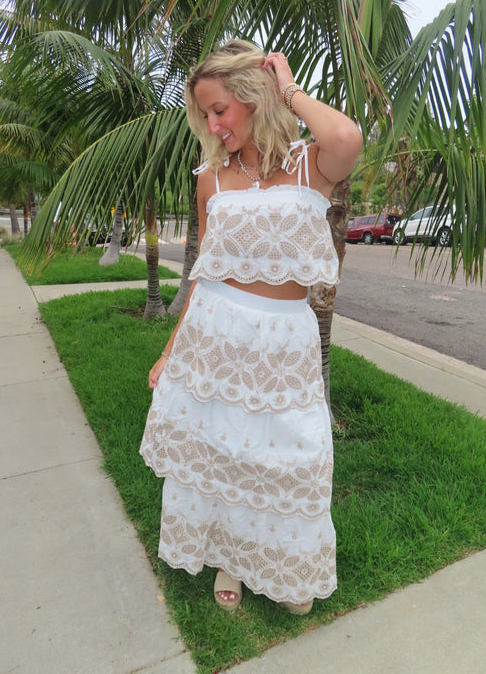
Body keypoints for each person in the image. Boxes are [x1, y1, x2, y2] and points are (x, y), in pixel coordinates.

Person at [140, 39, 362, 615]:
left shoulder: (310, 164)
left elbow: (346, 137)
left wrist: (288, 88)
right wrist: (170, 350)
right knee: (223, 450)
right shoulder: (211, 179)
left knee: (290, 455)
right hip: (214, 332)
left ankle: (287, 564)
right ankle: (229, 560)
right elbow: (203, 272)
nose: (213, 126)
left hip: (284, 340)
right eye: (205, 114)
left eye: (220, 110)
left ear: (253, 97)